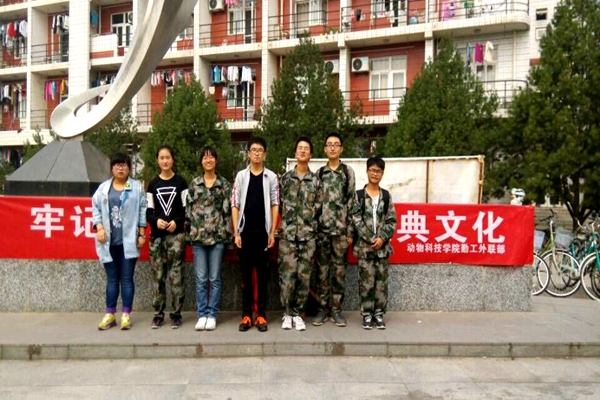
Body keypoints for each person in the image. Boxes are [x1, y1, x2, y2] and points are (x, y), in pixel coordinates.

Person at [92, 153, 147, 331]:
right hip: (109, 242)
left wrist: (142, 234)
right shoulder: (103, 188)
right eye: (117, 165)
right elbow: (95, 208)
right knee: (112, 279)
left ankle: (125, 314)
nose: (121, 168)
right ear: (112, 168)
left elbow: (143, 210)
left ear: (129, 168)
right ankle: (110, 314)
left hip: (129, 241)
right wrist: (99, 228)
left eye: (124, 165)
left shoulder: (136, 187)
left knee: (127, 278)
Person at [231, 137, 279, 332]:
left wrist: (272, 231)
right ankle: (246, 315)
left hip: (263, 234)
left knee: (262, 277)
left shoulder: (271, 177)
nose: (257, 153)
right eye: (253, 150)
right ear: (248, 154)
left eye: (260, 150)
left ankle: (261, 315)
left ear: (265, 154)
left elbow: (275, 204)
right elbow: (235, 204)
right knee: (245, 276)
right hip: (244, 233)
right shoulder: (241, 176)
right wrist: (236, 232)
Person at [186, 146, 232, 331]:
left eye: (211, 157)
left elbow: (228, 213)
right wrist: (191, 233)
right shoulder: (194, 184)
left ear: (216, 160)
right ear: (201, 162)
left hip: (217, 238)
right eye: (205, 158)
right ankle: (202, 314)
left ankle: (212, 314)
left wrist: (228, 236)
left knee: (214, 278)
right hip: (198, 238)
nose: (208, 160)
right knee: (200, 279)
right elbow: (188, 211)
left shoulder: (224, 184)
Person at [313, 132, 356, 327]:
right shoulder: (319, 174)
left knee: (339, 272)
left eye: (336, 144)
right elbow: (315, 204)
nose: (332, 147)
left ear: (341, 149)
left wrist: (350, 232)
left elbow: (352, 203)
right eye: (329, 144)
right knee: (322, 272)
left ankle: (337, 310)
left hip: (340, 233)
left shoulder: (347, 172)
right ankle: (322, 309)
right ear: (324, 149)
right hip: (322, 232)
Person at [278, 137, 321, 331]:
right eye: (300, 148)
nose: (303, 151)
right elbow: (278, 204)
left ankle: (298, 313)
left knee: (304, 277)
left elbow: (319, 207)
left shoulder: (316, 181)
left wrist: (309, 225)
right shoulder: (285, 179)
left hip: (308, 237)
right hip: (288, 237)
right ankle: (287, 313)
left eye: (306, 149)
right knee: (287, 277)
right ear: (295, 153)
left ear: (311, 154)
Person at [351, 156, 397, 330]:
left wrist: (382, 238)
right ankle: (367, 314)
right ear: (367, 171)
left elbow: (392, 220)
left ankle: (379, 314)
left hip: (383, 249)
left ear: (382, 173)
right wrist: (371, 239)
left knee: (381, 283)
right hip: (365, 248)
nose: (375, 174)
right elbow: (356, 220)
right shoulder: (358, 196)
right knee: (366, 282)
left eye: (378, 171)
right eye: (372, 170)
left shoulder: (386, 196)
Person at [146, 145, 188, 329]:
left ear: (173, 159)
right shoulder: (152, 184)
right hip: (157, 237)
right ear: (158, 160)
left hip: (176, 237)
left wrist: (176, 222)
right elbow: (148, 211)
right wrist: (156, 221)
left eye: (168, 157)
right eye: (161, 157)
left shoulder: (181, 182)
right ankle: (158, 314)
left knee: (176, 276)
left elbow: (186, 210)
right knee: (158, 276)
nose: (165, 161)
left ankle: (176, 313)